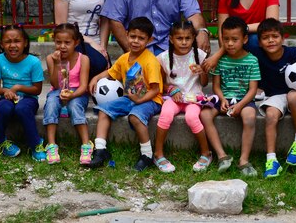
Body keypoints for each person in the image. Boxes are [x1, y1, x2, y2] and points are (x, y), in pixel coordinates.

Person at [249, 18, 296, 179]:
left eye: (275, 36)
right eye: (265, 37)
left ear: (283, 39)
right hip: (274, 96)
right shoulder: (257, 55)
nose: (271, 40)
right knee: (270, 115)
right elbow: (235, 42)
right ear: (259, 43)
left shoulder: (292, 53)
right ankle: (271, 160)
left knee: (292, 95)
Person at [202, 0, 279, 98]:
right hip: (236, 43)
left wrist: (242, 30)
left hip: (262, 41)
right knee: (241, 42)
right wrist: (222, 51)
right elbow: (222, 32)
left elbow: (271, 23)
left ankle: (261, 85)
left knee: (254, 40)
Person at [87, 17, 163, 171]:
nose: (136, 41)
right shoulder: (124, 58)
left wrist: (140, 100)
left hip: (151, 100)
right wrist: (95, 77)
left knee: (135, 117)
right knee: (103, 111)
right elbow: (111, 73)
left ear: (149, 40)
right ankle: (101, 150)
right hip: (130, 98)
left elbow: (156, 90)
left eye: (141, 38)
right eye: (133, 36)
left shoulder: (151, 61)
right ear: (126, 35)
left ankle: (147, 155)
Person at [200, 16, 261, 176]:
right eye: (226, 39)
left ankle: (244, 160)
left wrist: (240, 105)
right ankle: (222, 156)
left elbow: (253, 90)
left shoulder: (252, 61)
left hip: (243, 99)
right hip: (223, 98)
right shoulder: (220, 61)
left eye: (235, 39)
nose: (230, 44)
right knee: (205, 114)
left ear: (245, 39)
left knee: (249, 117)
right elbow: (216, 86)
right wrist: (222, 99)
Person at [153, 20, 211, 173]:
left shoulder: (200, 55)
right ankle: (158, 153)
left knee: (191, 117)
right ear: (171, 39)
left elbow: (204, 83)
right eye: (179, 38)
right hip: (174, 98)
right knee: (165, 114)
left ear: (194, 38)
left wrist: (202, 72)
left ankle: (206, 153)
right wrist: (171, 89)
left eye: (188, 38)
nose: (184, 42)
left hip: (194, 97)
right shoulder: (163, 58)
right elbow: (159, 84)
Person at [0, 24, 46, 161]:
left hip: (29, 97)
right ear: (2, 44)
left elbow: (37, 89)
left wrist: (18, 87)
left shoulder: (33, 62)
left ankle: (35, 144)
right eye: (8, 41)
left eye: (17, 41)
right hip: (7, 97)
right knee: (4, 108)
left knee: (22, 109)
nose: (12, 45)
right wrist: (6, 91)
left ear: (25, 42)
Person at [43, 23, 92, 166]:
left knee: (75, 105)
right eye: (58, 42)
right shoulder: (50, 58)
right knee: (51, 103)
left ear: (76, 43)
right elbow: (55, 85)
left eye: (67, 42)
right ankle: (51, 145)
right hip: (58, 91)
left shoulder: (83, 59)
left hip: (77, 92)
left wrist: (72, 96)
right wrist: (57, 64)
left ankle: (86, 144)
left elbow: (84, 86)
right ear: (54, 41)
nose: (62, 46)